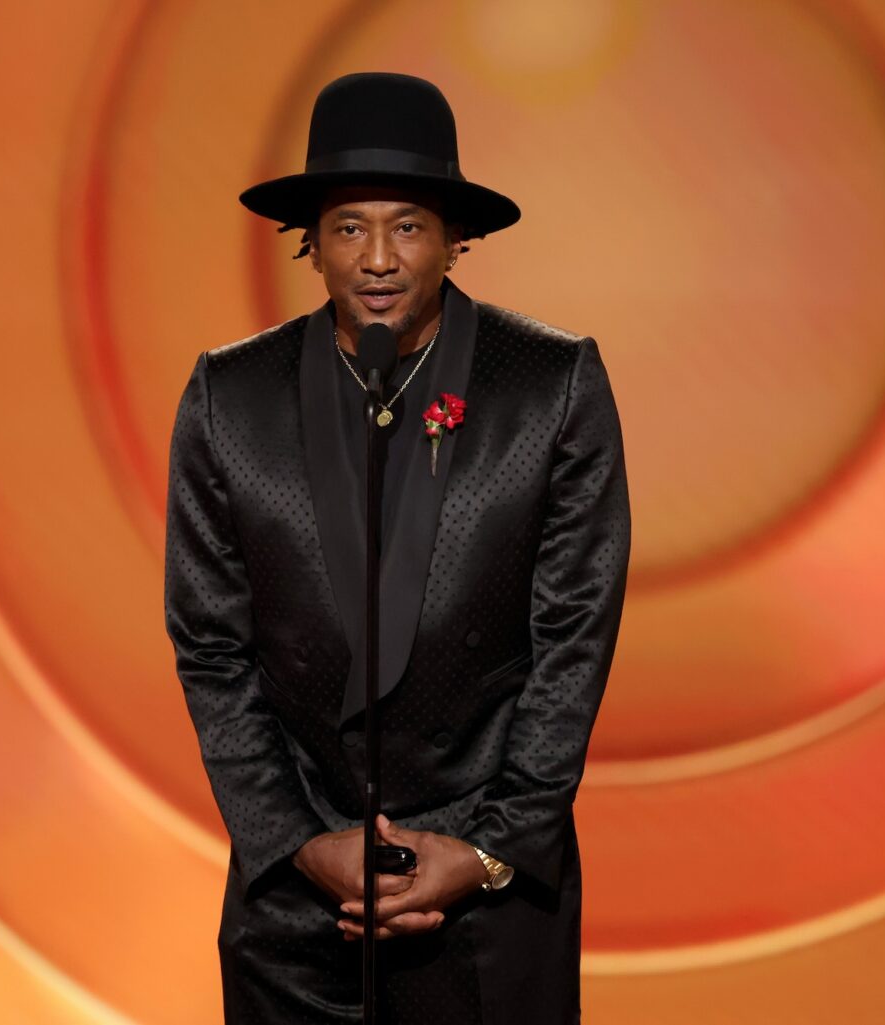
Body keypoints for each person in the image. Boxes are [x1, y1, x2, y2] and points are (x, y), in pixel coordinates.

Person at [163, 71, 630, 1024]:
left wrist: (489, 849)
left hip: (488, 896)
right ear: (312, 243)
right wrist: (298, 841)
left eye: (408, 225)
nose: (378, 257)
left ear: (455, 236)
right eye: (349, 226)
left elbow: (573, 640)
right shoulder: (229, 398)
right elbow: (212, 646)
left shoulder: (551, 386)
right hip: (297, 904)